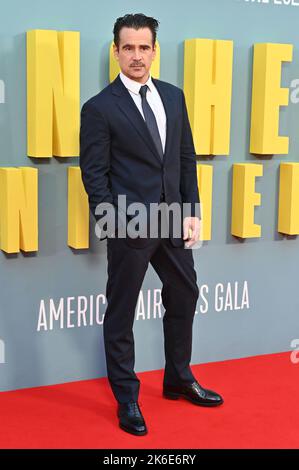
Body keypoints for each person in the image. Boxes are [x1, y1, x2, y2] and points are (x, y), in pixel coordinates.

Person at [80, 13, 223, 437]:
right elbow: (95, 175)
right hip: (130, 224)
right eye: (128, 48)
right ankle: (127, 398)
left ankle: (178, 377)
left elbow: (184, 158)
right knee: (121, 311)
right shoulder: (100, 108)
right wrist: (114, 224)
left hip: (174, 218)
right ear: (116, 51)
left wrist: (192, 210)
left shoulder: (174, 97)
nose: (137, 56)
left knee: (185, 292)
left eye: (144, 47)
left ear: (155, 50)